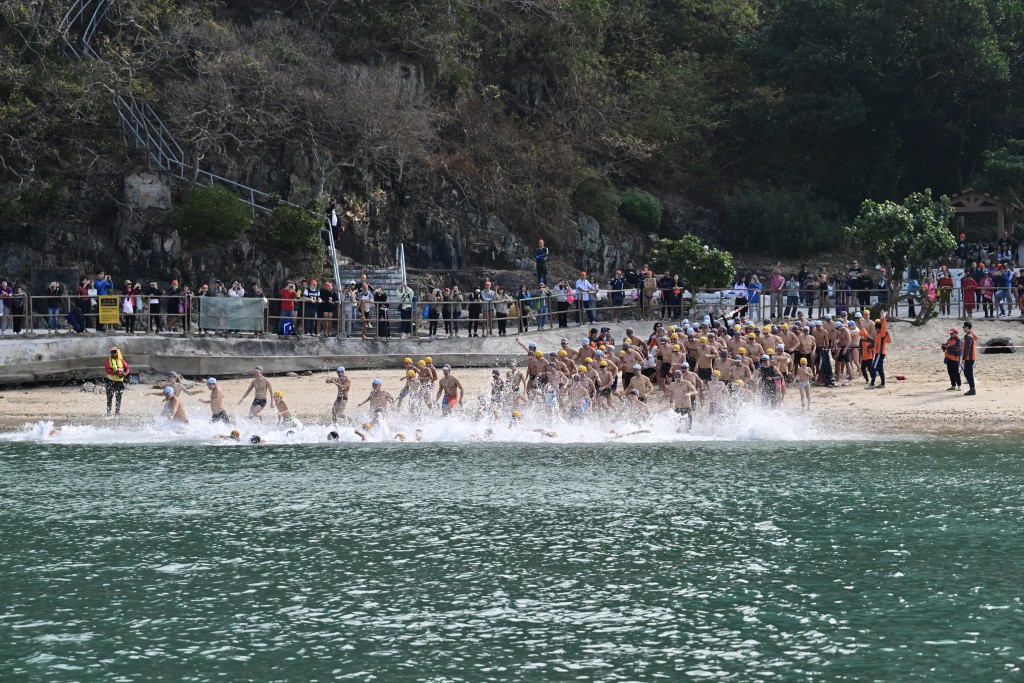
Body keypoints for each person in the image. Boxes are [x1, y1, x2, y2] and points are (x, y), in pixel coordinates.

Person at [104, 346, 129, 415]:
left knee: (119, 397)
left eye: (115, 352)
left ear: (117, 353)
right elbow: (107, 369)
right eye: (112, 352)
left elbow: (127, 368)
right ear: (110, 353)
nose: (114, 353)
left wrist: (124, 374)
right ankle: (108, 412)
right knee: (109, 396)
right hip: (110, 380)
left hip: (119, 381)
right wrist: (116, 373)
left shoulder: (121, 360)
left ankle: (117, 411)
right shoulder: (108, 360)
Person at [961, 320, 978, 396]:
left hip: (969, 357)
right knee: (967, 373)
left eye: (964, 327)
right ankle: (972, 388)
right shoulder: (970, 335)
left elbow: (967, 348)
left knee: (968, 373)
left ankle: (972, 389)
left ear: (967, 327)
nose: (963, 328)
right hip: (970, 357)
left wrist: (963, 358)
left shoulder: (968, 336)